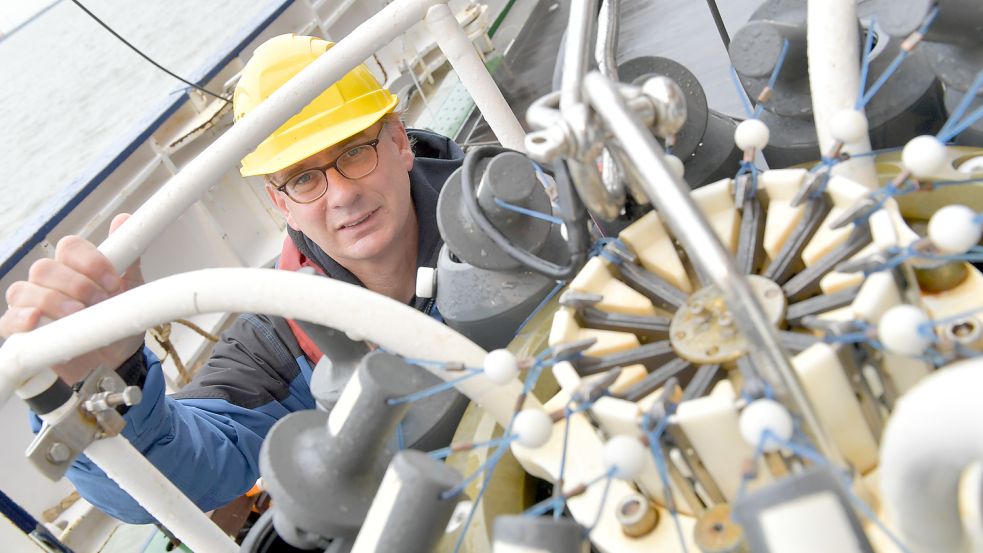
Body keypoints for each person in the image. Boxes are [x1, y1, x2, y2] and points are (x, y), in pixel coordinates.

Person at [0, 34, 465, 523]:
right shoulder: (280, 341)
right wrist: (106, 384)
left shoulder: (514, 200)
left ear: (397, 142)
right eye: (304, 178)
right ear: (281, 203)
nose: (342, 195)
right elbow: (181, 470)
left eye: (353, 152)